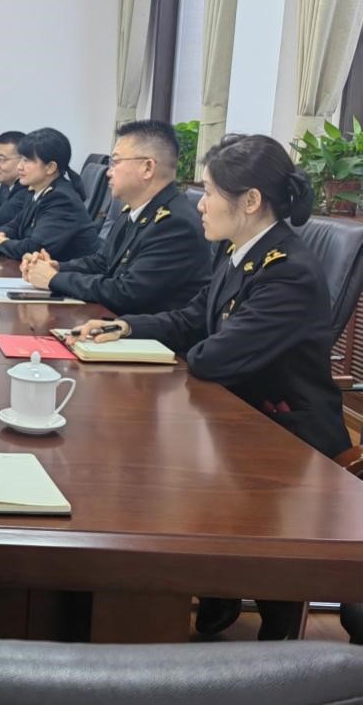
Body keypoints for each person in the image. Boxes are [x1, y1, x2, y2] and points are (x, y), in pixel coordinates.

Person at [69, 133, 351, 640]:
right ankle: (215, 589)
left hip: (288, 437)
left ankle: (271, 629)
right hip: (239, 415)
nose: (200, 203)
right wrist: (127, 326)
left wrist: (193, 344)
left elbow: (213, 356)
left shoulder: (286, 272)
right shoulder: (240, 251)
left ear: (250, 200)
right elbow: (194, 317)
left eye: (211, 192)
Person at [20, 120, 209, 314]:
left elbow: (127, 293)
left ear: (148, 168)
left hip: (141, 329)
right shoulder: (135, 210)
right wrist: (56, 267)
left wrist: (53, 279)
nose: (109, 172)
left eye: (115, 162)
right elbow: (102, 262)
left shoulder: (174, 224)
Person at [0, 127, 100, 261]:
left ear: (50, 167)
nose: (19, 167)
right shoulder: (35, 190)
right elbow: (15, 225)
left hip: (66, 272)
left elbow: (35, 248)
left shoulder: (62, 200)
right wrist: (0, 234)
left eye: (27, 160)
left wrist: (1, 244)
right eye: (21, 159)